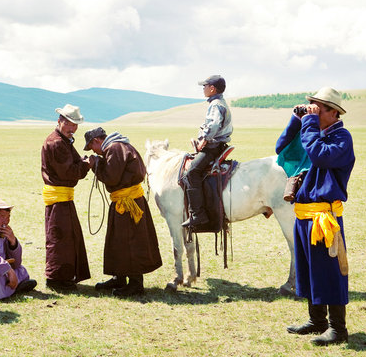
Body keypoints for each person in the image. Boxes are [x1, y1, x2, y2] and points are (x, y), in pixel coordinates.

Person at [276, 87, 355, 346]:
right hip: (304, 215)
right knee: (309, 269)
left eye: (318, 107)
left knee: (331, 271)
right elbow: (281, 149)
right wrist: (296, 121)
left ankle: (338, 329)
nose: (313, 110)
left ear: (334, 112)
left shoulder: (341, 138)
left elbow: (320, 156)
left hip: (324, 218)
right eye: (310, 105)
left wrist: (308, 123)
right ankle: (317, 321)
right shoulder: (313, 133)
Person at [84, 127, 162, 297]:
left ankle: (135, 284)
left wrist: (95, 164)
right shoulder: (118, 146)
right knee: (119, 240)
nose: (94, 151)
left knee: (130, 241)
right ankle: (119, 277)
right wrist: (100, 162)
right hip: (124, 200)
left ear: (97, 141)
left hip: (128, 202)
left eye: (92, 147)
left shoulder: (114, 148)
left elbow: (112, 177)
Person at [41, 104, 91, 291]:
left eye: (75, 125)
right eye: (69, 124)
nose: (73, 128)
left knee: (67, 237)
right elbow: (70, 172)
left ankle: (64, 277)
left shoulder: (64, 141)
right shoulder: (57, 143)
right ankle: (55, 279)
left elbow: (76, 163)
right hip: (59, 198)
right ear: (59, 121)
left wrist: (83, 164)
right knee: (59, 238)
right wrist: (86, 165)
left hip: (63, 198)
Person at [181, 75, 233, 229]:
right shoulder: (219, 102)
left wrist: (204, 139)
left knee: (191, 173)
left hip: (212, 147)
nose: (203, 89)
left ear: (212, 88)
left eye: (205, 86)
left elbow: (214, 125)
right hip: (216, 145)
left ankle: (198, 214)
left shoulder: (216, 105)